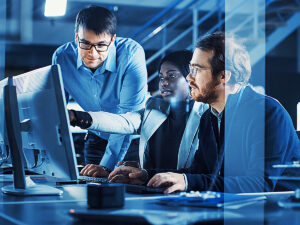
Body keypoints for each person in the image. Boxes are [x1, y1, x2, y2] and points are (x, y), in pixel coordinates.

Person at [108, 32, 300, 193]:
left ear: (224, 76)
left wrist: (188, 181)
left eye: (196, 70)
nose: (189, 78)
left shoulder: (267, 113)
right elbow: (198, 171)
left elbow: (260, 184)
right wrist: (146, 175)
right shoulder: (210, 116)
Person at [70, 50, 208, 178]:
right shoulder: (153, 109)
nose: (164, 83)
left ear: (191, 79)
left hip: (190, 195)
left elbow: (204, 173)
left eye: (171, 76)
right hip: (153, 194)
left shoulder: (208, 116)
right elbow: (123, 122)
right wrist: (78, 117)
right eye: (161, 77)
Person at [52, 6, 148, 175]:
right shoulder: (61, 57)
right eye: (85, 43)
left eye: (101, 45)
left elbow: (127, 120)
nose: (92, 53)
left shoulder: (131, 54)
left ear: (112, 40)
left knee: (126, 196)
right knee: (89, 191)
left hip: (132, 142)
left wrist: (106, 166)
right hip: (96, 137)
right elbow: (56, 112)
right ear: (76, 36)